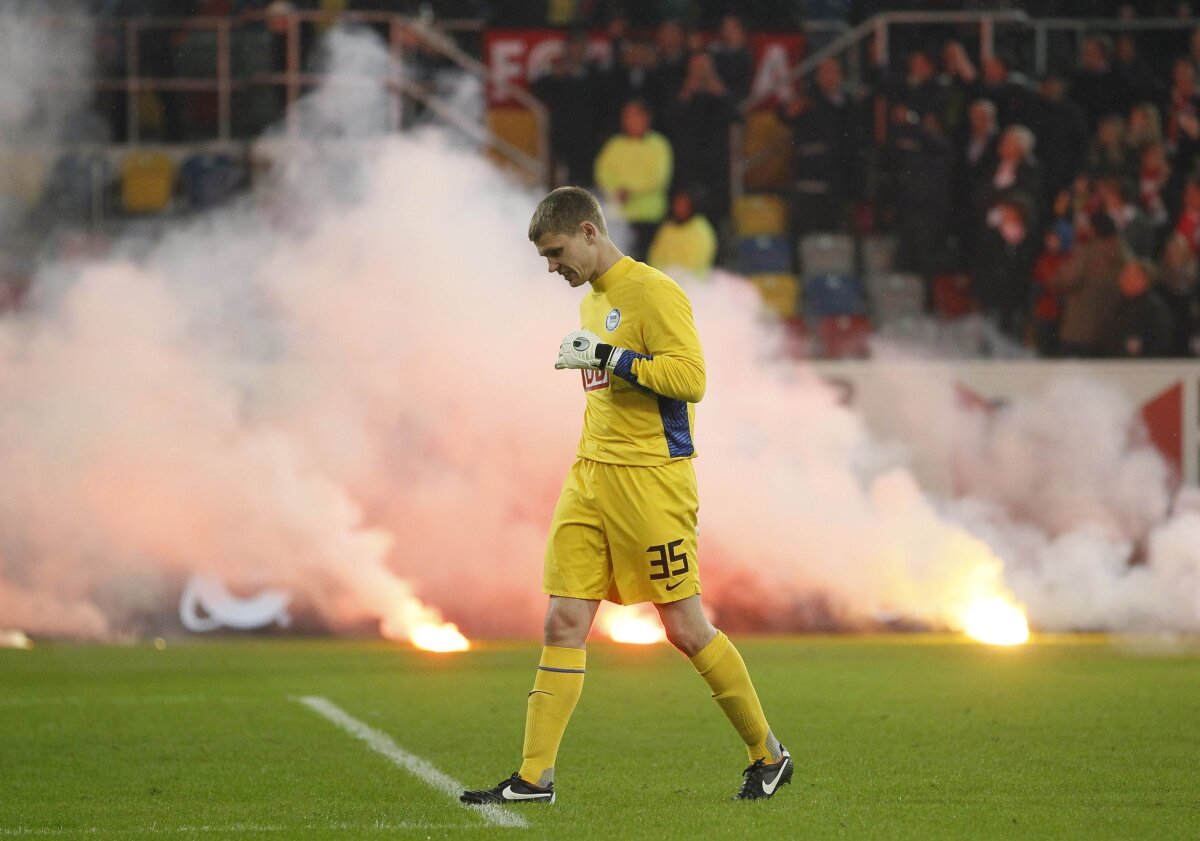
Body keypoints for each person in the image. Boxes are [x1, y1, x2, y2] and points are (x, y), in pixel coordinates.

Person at [460, 186, 790, 806]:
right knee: (563, 620)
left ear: (589, 231)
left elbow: (691, 380)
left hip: (651, 479)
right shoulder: (594, 300)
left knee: (685, 628)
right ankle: (535, 779)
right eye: (545, 260)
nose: (553, 268)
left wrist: (613, 357)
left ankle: (768, 755)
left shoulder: (654, 292)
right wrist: (602, 361)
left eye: (557, 253)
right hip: (591, 473)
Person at [594, 99, 674, 260]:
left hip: (649, 216)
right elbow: (602, 172)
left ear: (646, 118)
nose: (630, 120)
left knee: (644, 264)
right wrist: (615, 191)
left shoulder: (659, 145)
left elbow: (658, 178)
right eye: (626, 116)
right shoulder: (615, 144)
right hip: (619, 217)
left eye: (634, 116)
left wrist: (630, 191)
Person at [647, 189, 718, 277]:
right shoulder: (668, 228)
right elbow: (655, 256)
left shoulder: (700, 231)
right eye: (677, 204)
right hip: (663, 278)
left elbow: (696, 264)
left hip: (692, 283)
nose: (679, 208)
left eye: (684, 205)